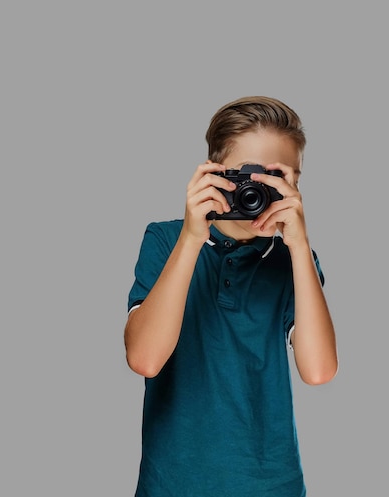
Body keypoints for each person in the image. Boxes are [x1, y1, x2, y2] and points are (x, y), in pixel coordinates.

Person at [124, 96, 338, 496]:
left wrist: (299, 245)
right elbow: (145, 359)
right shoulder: (166, 239)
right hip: (172, 484)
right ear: (215, 174)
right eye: (251, 179)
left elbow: (319, 370)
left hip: (272, 485)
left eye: (282, 178)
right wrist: (192, 235)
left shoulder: (294, 261)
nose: (263, 192)